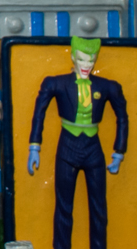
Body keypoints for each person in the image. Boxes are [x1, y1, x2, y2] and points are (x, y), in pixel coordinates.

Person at [28, 36, 127, 249]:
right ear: (73, 57)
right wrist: (34, 146)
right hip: (67, 147)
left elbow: (122, 116)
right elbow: (39, 112)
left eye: (91, 60)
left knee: (99, 208)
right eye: (82, 60)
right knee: (63, 207)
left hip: (93, 148)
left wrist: (119, 151)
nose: (87, 65)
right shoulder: (57, 83)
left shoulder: (107, 86)